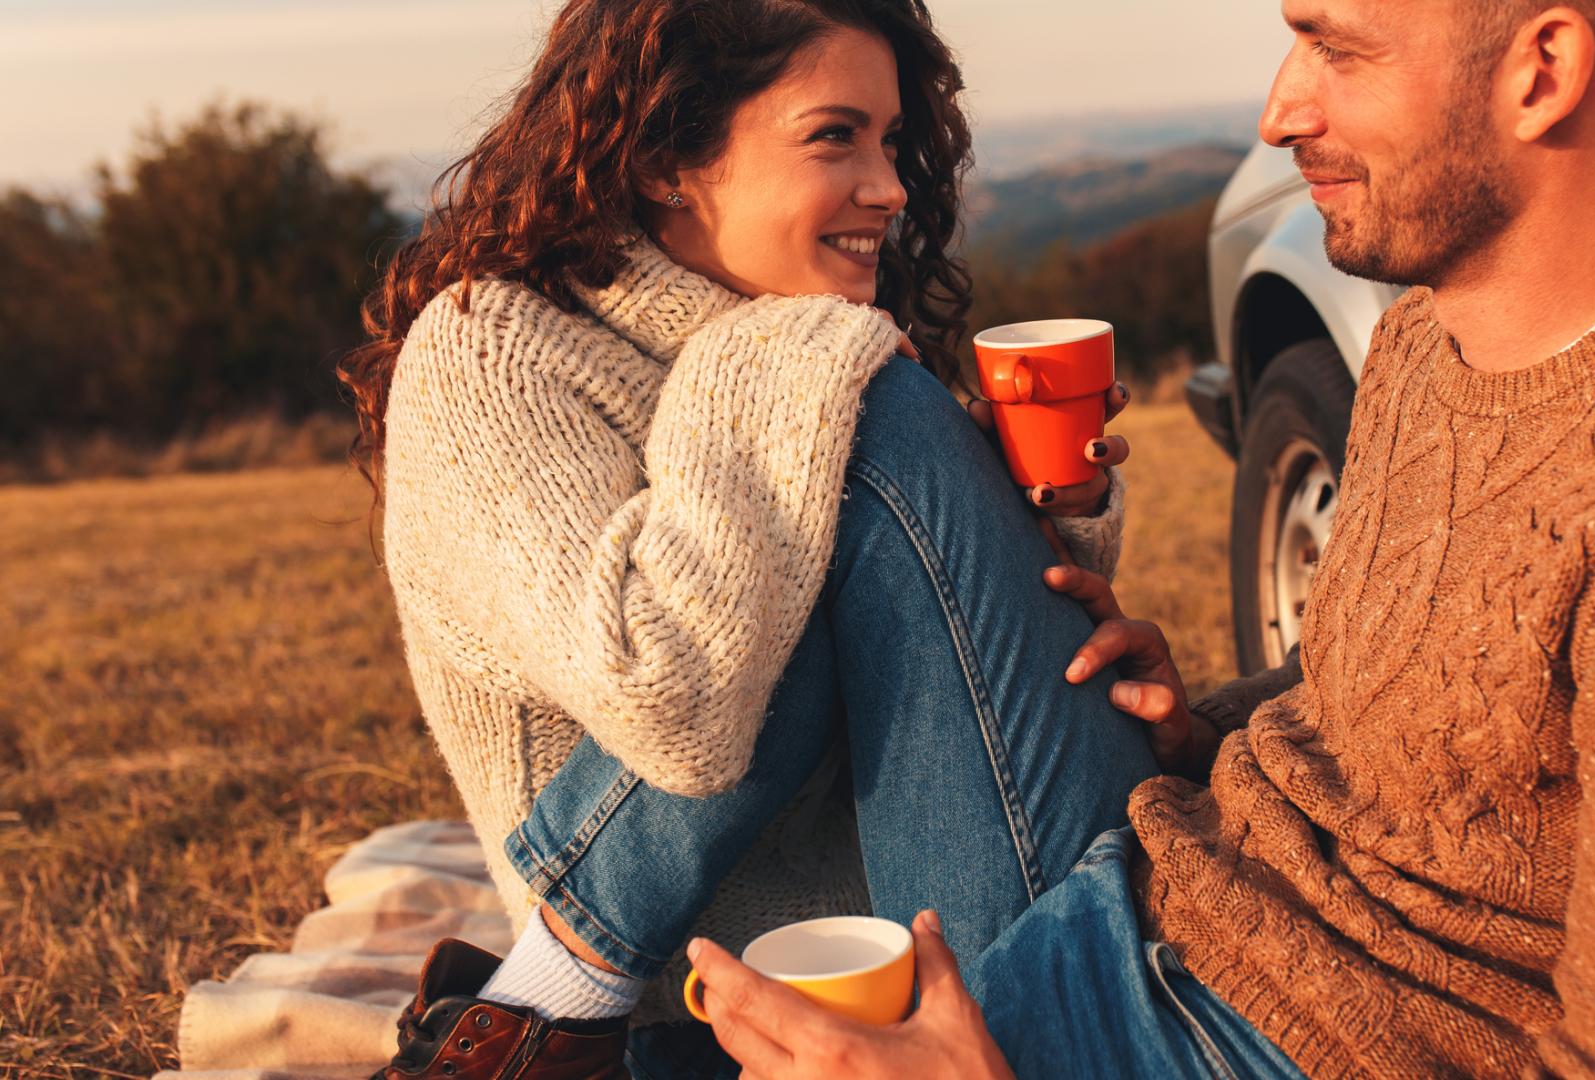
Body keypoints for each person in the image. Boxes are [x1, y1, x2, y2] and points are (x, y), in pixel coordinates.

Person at [682, 0, 1595, 1076]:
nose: (1280, 111)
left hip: (1257, 1031)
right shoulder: (1429, 346)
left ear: (1541, 70)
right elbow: (1445, 720)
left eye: (1336, 50)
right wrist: (1201, 722)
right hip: (1151, 905)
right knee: (880, 423)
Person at [338, 1, 1156, 1077]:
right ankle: (548, 1002)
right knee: (855, 462)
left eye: (891, 140)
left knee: (866, 468)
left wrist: (1048, 528)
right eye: (835, 136)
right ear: (671, 156)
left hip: (915, 912)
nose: (891, 186)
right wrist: (793, 355)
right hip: (708, 996)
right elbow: (673, 702)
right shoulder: (494, 358)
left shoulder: (789, 335)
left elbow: (954, 678)